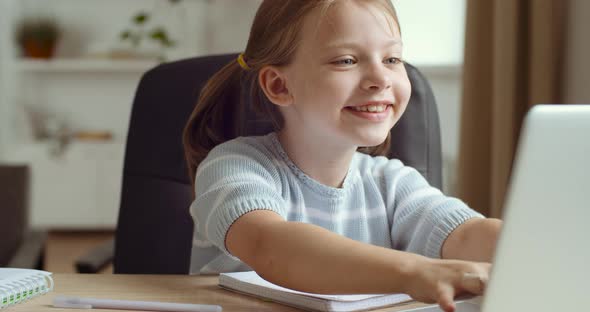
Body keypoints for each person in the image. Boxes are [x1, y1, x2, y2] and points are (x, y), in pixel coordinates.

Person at [182, 1, 502, 312]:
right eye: (346, 61)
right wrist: (414, 271)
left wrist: (526, 245)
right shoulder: (232, 167)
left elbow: (467, 235)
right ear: (279, 85)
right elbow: (272, 248)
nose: (380, 79)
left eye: (392, 59)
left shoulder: (393, 183)